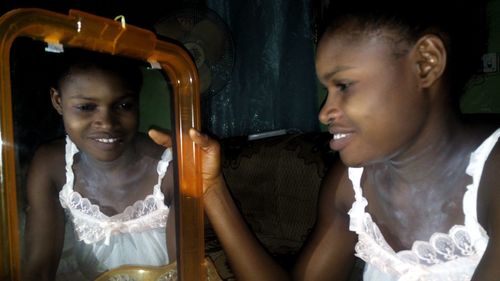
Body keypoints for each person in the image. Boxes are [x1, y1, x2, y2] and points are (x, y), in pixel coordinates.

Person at [150, 0, 499, 280]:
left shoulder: (493, 174)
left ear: (426, 63)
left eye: (344, 85)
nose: (325, 112)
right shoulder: (352, 185)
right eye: (327, 89)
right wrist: (211, 187)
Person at [23, 50, 176, 281]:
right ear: (58, 101)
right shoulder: (51, 164)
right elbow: (39, 269)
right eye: (86, 107)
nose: (106, 123)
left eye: (123, 105)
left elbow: (184, 269)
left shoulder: (168, 169)